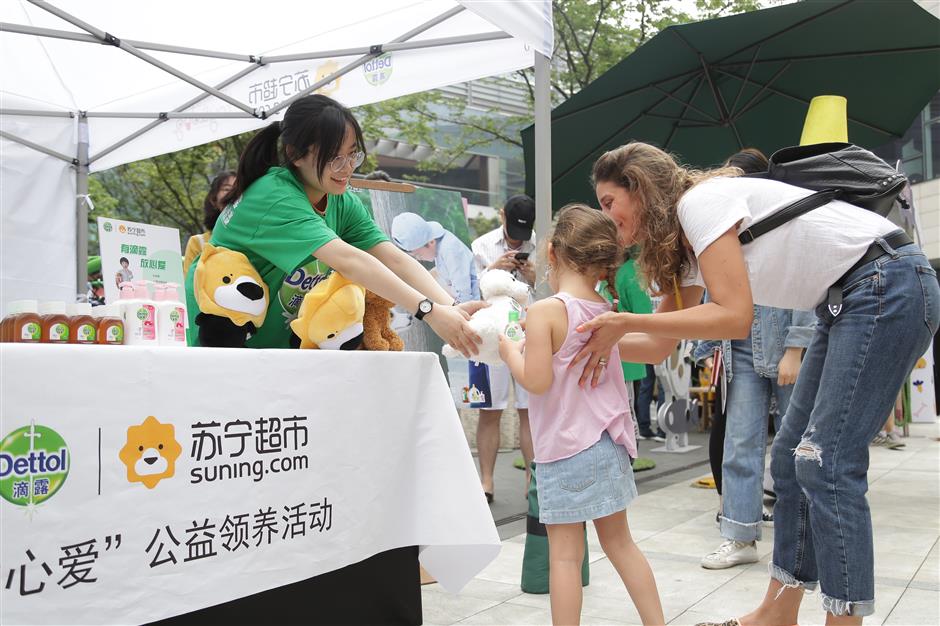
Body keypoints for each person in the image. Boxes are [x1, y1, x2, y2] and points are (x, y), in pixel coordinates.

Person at [577, 142, 938, 625]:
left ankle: (844, 619)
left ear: (638, 188)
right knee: (790, 461)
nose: (609, 217)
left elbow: (734, 316)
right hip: (847, 299)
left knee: (825, 463)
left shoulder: (700, 204)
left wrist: (621, 323)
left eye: (609, 202)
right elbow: (659, 345)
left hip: (886, 282)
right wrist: (580, 346)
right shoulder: (682, 246)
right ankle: (777, 612)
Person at [183, 94, 483, 354]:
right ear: (295, 154)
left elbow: (391, 257)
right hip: (225, 340)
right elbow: (352, 261)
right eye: (334, 158)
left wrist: (452, 307)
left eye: (353, 155)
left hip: (274, 344)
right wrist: (429, 311)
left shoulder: (339, 197)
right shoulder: (275, 197)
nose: (347, 168)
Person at [498, 204, 664, 626]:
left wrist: (508, 355)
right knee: (622, 545)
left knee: (566, 558)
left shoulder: (546, 311)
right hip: (609, 443)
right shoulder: (609, 313)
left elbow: (535, 381)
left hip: (563, 451)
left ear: (552, 252)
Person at [693, 149, 817, 571]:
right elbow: (714, 290)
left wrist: (796, 348)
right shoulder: (723, 230)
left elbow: (806, 284)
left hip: (785, 345)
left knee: (794, 445)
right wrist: (707, 347)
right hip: (740, 347)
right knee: (739, 444)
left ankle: (802, 533)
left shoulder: (787, 222)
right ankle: (740, 536)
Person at [470, 194, 536, 500]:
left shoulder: (537, 242)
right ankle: (486, 482)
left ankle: (531, 482)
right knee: (489, 410)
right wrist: (492, 270)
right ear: (501, 217)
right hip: (490, 335)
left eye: (522, 236)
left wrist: (534, 277)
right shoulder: (481, 246)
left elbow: (552, 291)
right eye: (512, 233)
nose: (517, 241)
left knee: (530, 410)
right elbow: (468, 292)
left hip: (528, 330)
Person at [391, 212, 479, 305]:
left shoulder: (449, 249)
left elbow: (464, 293)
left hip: (474, 302)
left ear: (431, 242)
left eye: (418, 255)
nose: (418, 259)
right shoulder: (439, 246)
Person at [184, 170, 235, 276]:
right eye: (227, 189)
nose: (233, 194)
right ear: (214, 200)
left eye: (238, 190)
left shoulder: (254, 240)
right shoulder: (198, 243)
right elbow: (189, 285)